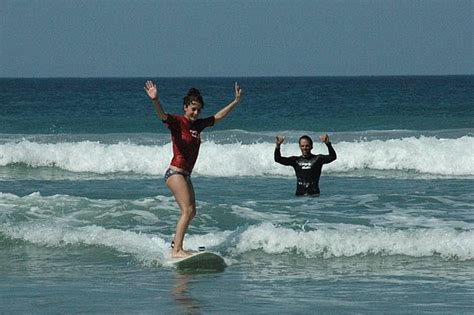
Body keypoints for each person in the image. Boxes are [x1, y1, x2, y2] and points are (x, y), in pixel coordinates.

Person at [144, 80, 242, 258]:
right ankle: (176, 251)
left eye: (198, 110)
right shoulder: (177, 121)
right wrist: (155, 100)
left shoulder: (197, 125)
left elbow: (217, 117)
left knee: (192, 212)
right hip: (175, 173)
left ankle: (176, 245)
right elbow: (162, 115)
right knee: (187, 211)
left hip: (186, 175)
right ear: (185, 107)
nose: (196, 113)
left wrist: (235, 102)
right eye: (193, 109)